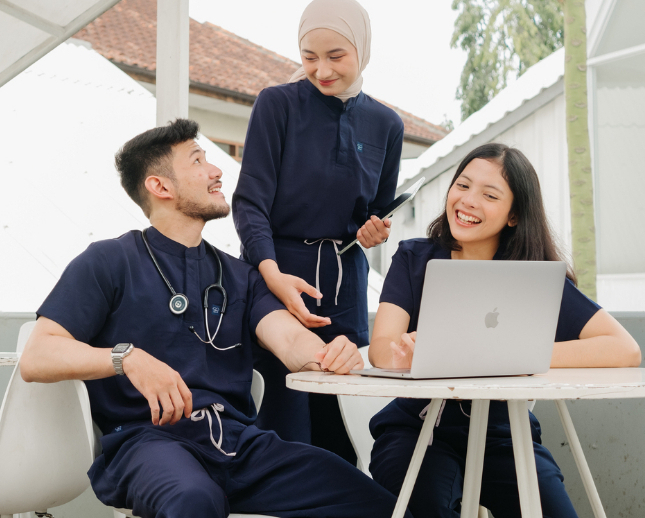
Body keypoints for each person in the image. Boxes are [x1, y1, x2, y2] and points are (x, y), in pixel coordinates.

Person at [19, 119, 411, 518]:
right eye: (198, 161)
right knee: (193, 500)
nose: (216, 170)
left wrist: (328, 355)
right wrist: (127, 358)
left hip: (240, 444)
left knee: (375, 503)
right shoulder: (108, 261)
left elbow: (290, 341)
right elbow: (38, 356)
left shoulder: (240, 276)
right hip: (149, 445)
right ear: (161, 187)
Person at [368, 143, 641, 518]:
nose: (467, 201)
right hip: (417, 429)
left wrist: (516, 354)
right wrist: (404, 353)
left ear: (514, 215)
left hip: (505, 434)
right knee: (425, 507)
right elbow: (381, 349)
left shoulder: (534, 276)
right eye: (462, 185)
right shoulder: (414, 257)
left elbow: (625, 349)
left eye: (489, 195)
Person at [232, 0, 404, 460]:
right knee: (285, 418)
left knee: (342, 418)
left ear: (362, 52)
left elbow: (378, 212)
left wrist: (373, 232)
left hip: (345, 284)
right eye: (310, 57)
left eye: (336, 56)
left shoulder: (386, 123)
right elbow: (249, 203)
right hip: (278, 275)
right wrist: (270, 275)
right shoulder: (277, 105)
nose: (322, 70)